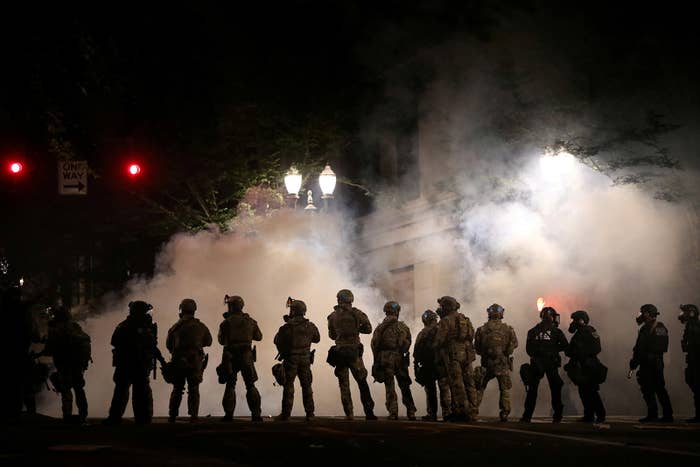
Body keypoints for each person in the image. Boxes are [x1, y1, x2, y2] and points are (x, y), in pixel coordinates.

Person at [104, 300, 165, 425]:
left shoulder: (123, 326)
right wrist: (162, 360)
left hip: (125, 365)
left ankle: (115, 418)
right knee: (141, 393)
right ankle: (143, 419)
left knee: (121, 392)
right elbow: (152, 346)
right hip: (139, 365)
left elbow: (114, 342)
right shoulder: (144, 328)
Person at [327, 289, 377, 420]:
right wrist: (355, 330)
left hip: (340, 354)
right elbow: (368, 329)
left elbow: (331, 335)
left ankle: (349, 414)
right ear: (351, 299)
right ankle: (369, 412)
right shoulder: (357, 313)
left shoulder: (332, 316)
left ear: (339, 299)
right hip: (355, 354)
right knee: (362, 383)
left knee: (344, 385)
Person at [42, 305, 92, 423]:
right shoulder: (75, 327)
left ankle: (67, 415)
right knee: (79, 388)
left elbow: (49, 347)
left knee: (65, 389)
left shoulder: (55, 328)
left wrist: (42, 352)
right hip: (77, 363)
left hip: (63, 363)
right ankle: (83, 414)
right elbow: (85, 340)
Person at [165, 298, 212, 423]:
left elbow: (168, 345)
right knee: (194, 388)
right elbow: (209, 342)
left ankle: (172, 416)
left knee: (177, 389)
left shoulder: (175, 327)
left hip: (179, 361)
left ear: (181, 310)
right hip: (195, 361)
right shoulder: (200, 326)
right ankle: (194, 416)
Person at [273, 298, 320, 421]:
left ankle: (286, 414)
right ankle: (310, 414)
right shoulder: (310, 326)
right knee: (306, 386)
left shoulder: (286, 327)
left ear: (293, 311)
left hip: (291, 360)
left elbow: (277, 341)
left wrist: (288, 324)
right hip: (305, 359)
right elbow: (317, 338)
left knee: (288, 386)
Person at [218, 295, 263, 422]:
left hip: (230, 356)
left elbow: (221, 341)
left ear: (231, 306)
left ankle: (229, 415)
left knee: (230, 385)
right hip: (246, 355)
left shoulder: (225, 323)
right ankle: (256, 414)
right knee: (250, 384)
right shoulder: (251, 321)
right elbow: (259, 337)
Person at [521, 306, 568, 423]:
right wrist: (553, 350)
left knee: (532, 390)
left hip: (537, 364)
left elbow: (528, 350)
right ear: (551, 317)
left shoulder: (532, 331)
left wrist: (539, 353)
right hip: (551, 363)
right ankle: (557, 416)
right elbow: (566, 346)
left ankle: (527, 416)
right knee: (555, 389)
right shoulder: (556, 331)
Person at [371, 301, 416, 420]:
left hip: (385, 358)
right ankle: (411, 411)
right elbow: (408, 344)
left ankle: (393, 412)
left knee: (390, 386)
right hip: (399, 358)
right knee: (404, 385)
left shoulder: (380, 328)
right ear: (397, 312)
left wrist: (376, 361)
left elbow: (374, 344)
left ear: (386, 311)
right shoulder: (403, 327)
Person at [629, 304, 673, 422]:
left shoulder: (658, 326)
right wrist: (635, 361)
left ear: (648, 314)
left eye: (642, 313)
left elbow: (662, 346)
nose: (640, 315)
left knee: (658, 388)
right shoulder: (645, 327)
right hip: (646, 363)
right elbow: (639, 347)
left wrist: (645, 354)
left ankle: (667, 415)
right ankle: (653, 414)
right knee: (647, 389)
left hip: (654, 363)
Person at [474, 303, 518, 422]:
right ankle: (504, 412)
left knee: (480, 387)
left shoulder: (481, 329)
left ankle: (473, 410)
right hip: (502, 363)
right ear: (501, 314)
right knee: (504, 388)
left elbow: (477, 349)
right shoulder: (508, 329)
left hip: (486, 363)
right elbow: (513, 345)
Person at [434, 296, 471, 421]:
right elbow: (471, 335)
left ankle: (461, 412)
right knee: (469, 383)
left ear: (447, 307)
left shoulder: (446, 321)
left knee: (457, 384)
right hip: (466, 354)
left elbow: (439, 340)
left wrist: (433, 347)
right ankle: (472, 411)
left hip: (452, 354)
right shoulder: (464, 319)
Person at [564, 310, 606, 423]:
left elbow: (597, 348)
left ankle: (600, 415)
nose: (572, 323)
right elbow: (571, 351)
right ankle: (589, 415)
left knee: (591, 391)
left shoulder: (589, 331)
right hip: (582, 366)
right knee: (584, 392)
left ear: (581, 320)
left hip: (588, 367)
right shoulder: (580, 333)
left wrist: (582, 354)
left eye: (574, 320)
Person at [414, 309, 450, 421]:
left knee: (430, 390)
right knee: (444, 388)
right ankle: (447, 413)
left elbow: (416, 351)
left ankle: (432, 414)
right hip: (441, 363)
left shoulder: (423, 332)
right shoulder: (442, 329)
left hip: (428, 365)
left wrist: (418, 364)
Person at [679, 304, 700, 423]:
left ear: (691, 313)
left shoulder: (695, 326)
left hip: (697, 361)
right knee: (693, 383)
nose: (683, 315)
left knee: (697, 386)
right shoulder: (691, 326)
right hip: (693, 360)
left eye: (685, 312)